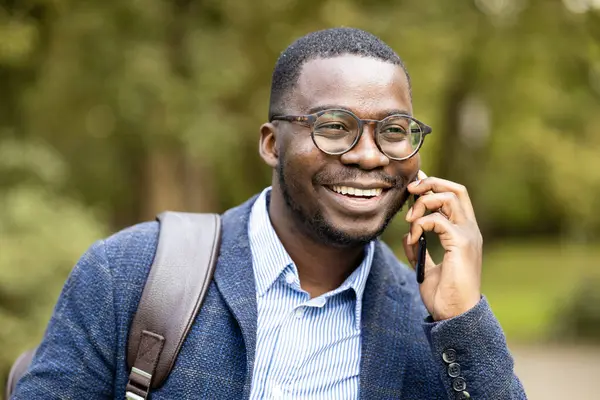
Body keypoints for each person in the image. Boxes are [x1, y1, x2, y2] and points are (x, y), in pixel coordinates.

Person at [12, 27, 527, 399]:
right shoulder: (128, 274)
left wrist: (464, 320)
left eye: (392, 130)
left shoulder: (438, 330)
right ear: (271, 143)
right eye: (333, 126)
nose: (369, 156)